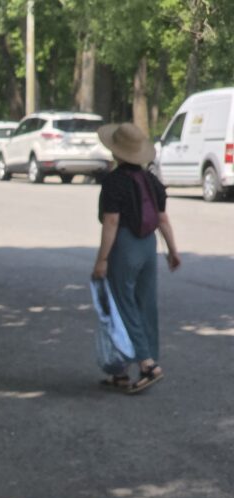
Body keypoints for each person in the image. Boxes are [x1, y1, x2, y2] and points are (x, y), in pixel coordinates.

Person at [93, 123, 181, 394]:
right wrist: (172, 250)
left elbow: (111, 221)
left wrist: (102, 259)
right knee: (145, 304)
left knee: (122, 307)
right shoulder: (151, 180)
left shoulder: (114, 181)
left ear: (116, 151)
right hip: (148, 246)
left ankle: (146, 364)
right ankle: (121, 370)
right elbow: (163, 218)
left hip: (125, 246)